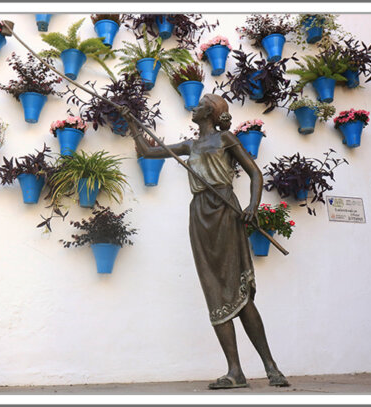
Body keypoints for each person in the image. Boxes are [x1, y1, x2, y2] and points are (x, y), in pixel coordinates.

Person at [119, 94, 289, 389]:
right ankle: (235, 371)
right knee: (214, 290)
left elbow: (255, 174)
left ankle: (271, 366)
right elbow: (147, 152)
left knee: (239, 290)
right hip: (200, 214)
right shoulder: (190, 146)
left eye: (199, 105)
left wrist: (252, 207)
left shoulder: (226, 139)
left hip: (225, 208)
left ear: (210, 112)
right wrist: (132, 123)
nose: (193, 108)